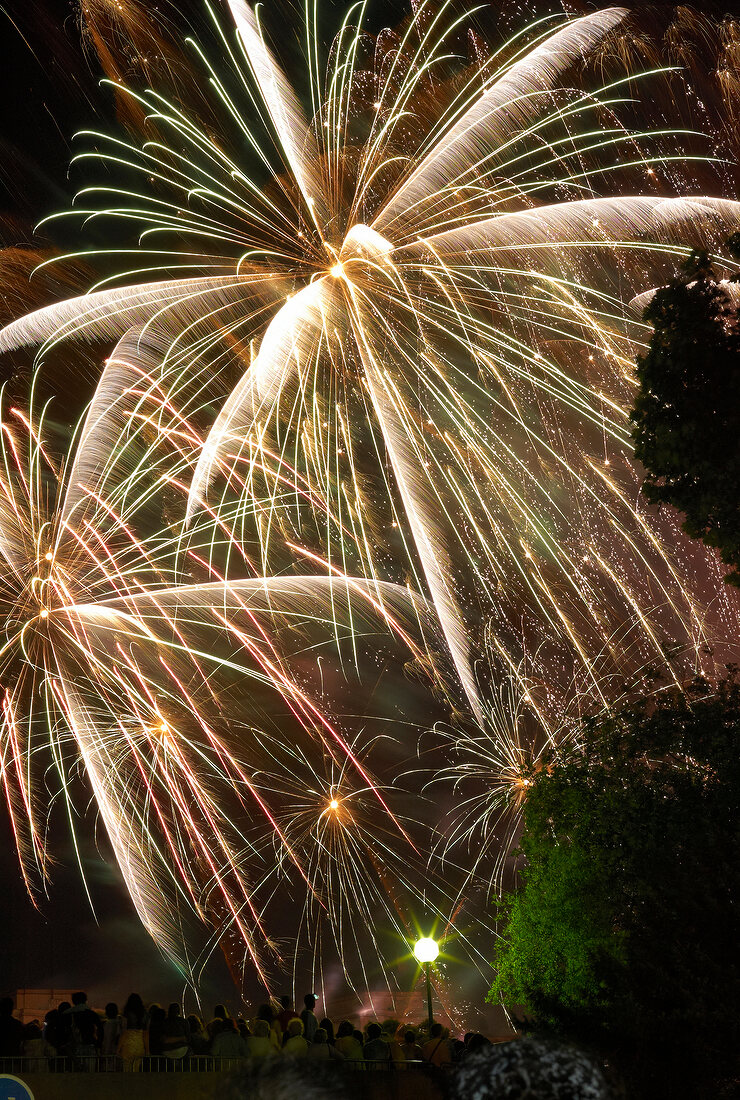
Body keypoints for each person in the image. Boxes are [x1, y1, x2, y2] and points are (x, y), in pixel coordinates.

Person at [66, 991, 101, 1071]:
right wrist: (98, 1044)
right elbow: (100, 1029)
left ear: (73, 1001)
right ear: (85, 1000)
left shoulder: (69, 1014)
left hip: (75, 1049)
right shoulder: (92, 1014)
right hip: (90, 1047)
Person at [118, 992, 148, 1071]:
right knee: (136, 1069)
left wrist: (118, 1049)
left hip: (128, 1044)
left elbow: (124, 1033)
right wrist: (147, 1050)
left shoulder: (126, 1014)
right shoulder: (144, 1015)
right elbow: (145, 1034)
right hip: (140, 1044)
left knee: (127, 1069)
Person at [101, 1003, 124, 1067]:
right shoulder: (120, 1023)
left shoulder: (108, 1024)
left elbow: (108, 1040)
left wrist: (105, 1054)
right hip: (118, 1054)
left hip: (109, 1055)